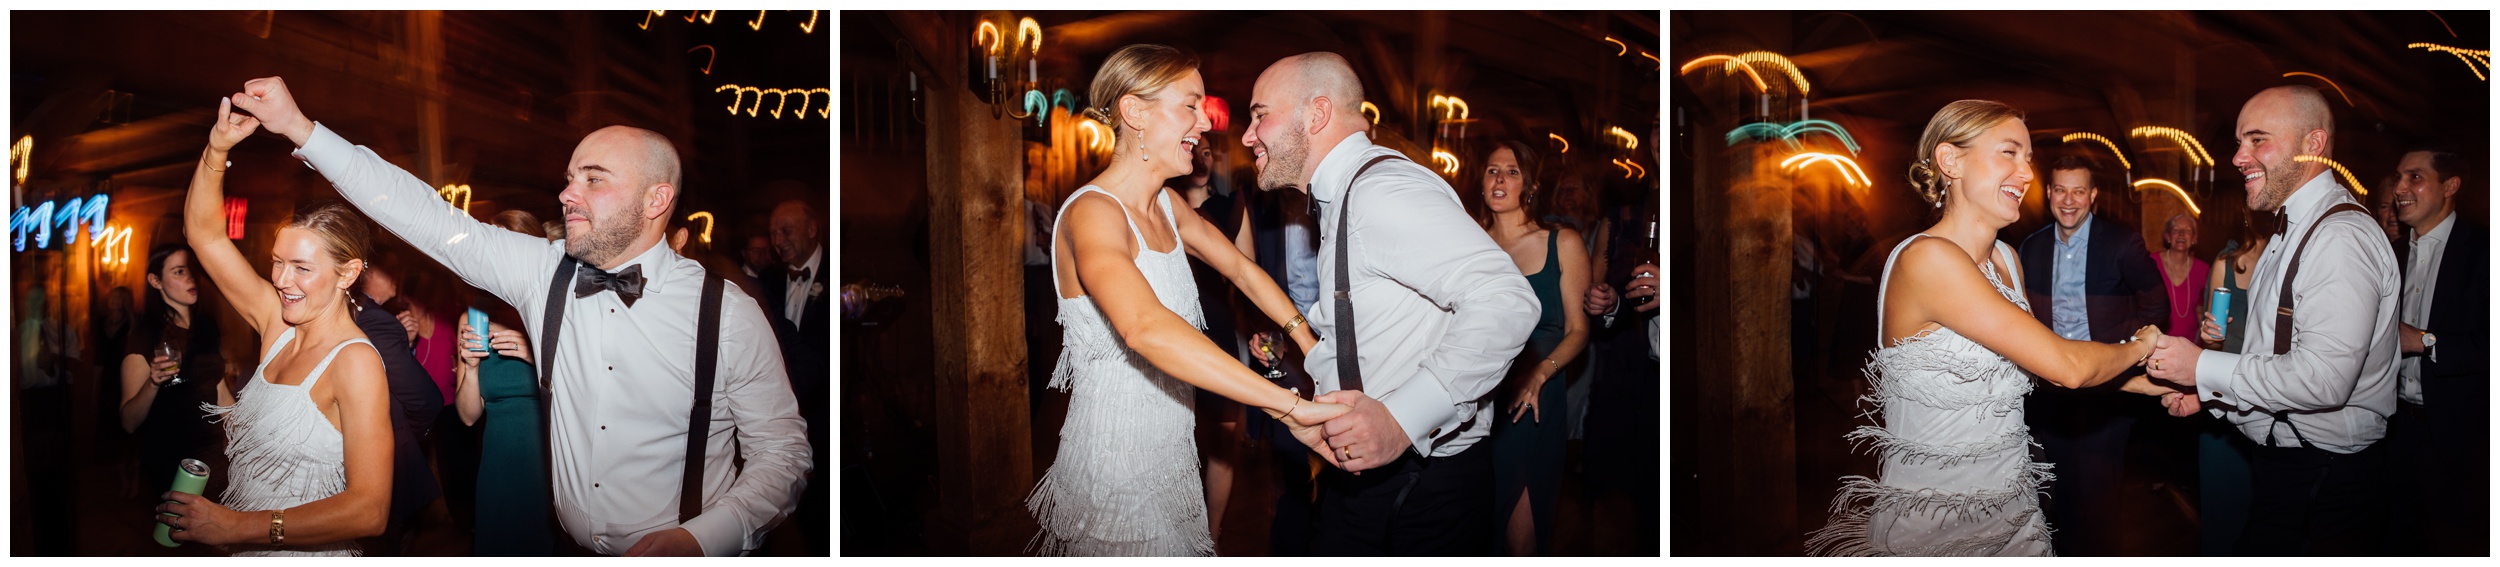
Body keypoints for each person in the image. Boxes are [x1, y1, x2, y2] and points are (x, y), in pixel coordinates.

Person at [231, 76, 810, 556]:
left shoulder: (727, 313)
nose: (567, 194)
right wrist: (300, 128)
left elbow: (783, 455)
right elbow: (422, 213)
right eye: (569, 179)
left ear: (656, 200)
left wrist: (701, 539)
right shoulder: (543, 272)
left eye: (593, 179)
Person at [1805, 100, 2168, 556]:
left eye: (2028, 158)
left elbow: (2035, 366)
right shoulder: (1927, 259)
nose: (2027, 173)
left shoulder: (2006, 259)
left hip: (2012, 507)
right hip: (1938, 519)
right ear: (1950, 161)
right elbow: (2067, 367)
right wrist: (2142, 345)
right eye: (2009, 153)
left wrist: (2141, 384)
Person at [1026, 43, 1340, 556]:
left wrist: (1311, 346)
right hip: (1117, 469)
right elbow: (1144, 327)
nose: (1205, 122)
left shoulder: (1167, 204)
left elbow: (1242, 270)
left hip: (1172, 456)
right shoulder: (1093, 213)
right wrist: (1287, 407)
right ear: (1134, 112)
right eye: (1190, 105)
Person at [1243, 51, 1543, 556]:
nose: (1248, 136)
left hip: (1421, 485)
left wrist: (1403, 417)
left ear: (1316, 114)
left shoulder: (1380, 192)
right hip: (1380, 477)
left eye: (1260, 115)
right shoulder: (1345, 194)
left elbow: (1507, 301)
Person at [2142, 85, 2401, 555]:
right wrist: (2211, 396)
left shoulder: (2339, 236)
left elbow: (2323, 381)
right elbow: (2272, 356)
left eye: (2257, 139)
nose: (2238, 157)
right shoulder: (2292, 229)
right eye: (2239, 142)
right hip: (2292, 469)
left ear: (2313, 144)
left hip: (2323, 478)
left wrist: (2201, 367)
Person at [156, 96, 394, 556]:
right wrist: (217, 147)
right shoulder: (277, 322)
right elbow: (204, 235)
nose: (282, 281)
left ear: (347, 273)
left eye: (302, 268)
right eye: (277, 262)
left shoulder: (355, 362)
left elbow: (370, 510)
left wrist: (235, 527)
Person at [2011, 153, 2168, 555]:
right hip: (2053, 392)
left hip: (2108, 392)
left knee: (2099, 497)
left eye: (2078, 191)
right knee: (2060, 489)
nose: (2069, 201)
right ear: (2048, 193)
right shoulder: (2031, 247)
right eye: (2060, 190)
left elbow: (2156, 305)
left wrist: (2127, 355)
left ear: (2093, 195)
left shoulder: (2121, 243)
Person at [1467, 140, 1589, 556]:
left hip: (1535, 393)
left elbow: (1579, 331)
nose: (1499, 178)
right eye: (1492, 170)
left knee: (1523, 526)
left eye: (1512, 171)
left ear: (1531, 187)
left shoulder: (1562, 242)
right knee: (1478, 523)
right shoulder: (1470, 245)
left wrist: (1540, 373)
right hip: (1480, 393)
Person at [2379, 146, 2486, 556]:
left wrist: (2424, 341)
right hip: (2391, 430)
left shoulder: (2483, 251)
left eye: (2415, 177)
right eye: (2399, 177)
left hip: (2458, 439)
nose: (2399, 188)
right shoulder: (2390, 254)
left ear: (2450, 186)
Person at [445, 211, 557, 556]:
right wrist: (470, 368)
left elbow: (591, 395)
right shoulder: (474, 318)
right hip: (499, 465)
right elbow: (468, 417)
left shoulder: (554, 309)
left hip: (552, 465)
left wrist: (538, 358)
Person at [1170, 129, 1254, 541]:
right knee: (1175, 443)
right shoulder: (1158, 207)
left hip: (1218, 332)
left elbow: (1247, 275)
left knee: (1222, 444)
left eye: (1208, 153)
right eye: (1194, 151)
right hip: (1171, 334)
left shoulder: (1231, 206)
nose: (1201, 160)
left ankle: (1211, 541)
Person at [120, 244, 235, 499]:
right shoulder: (144, 335)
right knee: (180, 524)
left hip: (213, 457)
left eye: (191, 270)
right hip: (172, 461)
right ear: (155, 281)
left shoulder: (206, 326)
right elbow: (128, 422)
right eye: (179, 272)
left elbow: (220, 393)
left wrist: (244, 438)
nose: (191, 278)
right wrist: (153, 382)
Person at [2194, 208, 2277, 555]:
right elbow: (2213, 343)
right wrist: (2209, 336)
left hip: (2274, 399)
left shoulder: (2291, 261)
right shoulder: (2226, 263)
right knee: (2223, 508)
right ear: (2245, 214)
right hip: (2226, 400)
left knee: (2271, 515)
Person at [756, 199, 830, 554]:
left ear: (812, 229)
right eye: (772, 233)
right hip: (782, 411)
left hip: (829, 412)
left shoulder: (842, 272)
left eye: (785, 231)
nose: (777, 241)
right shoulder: (766, 281)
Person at [2154, 213, 2211, 339]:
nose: (2181, 234)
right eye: (2176, 230)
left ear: (2194, 238)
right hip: (2157, 342)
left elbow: (2201, 310)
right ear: (2168, 237)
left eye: (2187, 231)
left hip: (2190, 343)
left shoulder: (2203, 269)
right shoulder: (2151, 263)